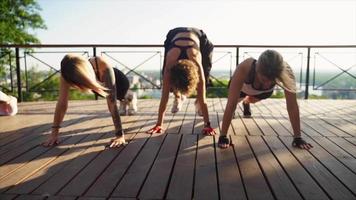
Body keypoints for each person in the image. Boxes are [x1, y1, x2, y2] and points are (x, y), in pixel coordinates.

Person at [219, 49, 313, 149]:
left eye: (272, 80)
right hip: (243, 89)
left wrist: (298, 137)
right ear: (256, 70)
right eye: (264, 79)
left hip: (263, 92)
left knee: (252, 99)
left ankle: (247, 102)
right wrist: (223, 136)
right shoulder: (245, 67)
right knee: (236, 101)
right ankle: (244, 101)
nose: (268, 83)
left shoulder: (286, 71)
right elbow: (231, 104)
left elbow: (292, 106)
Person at [43, 54, 132, 148]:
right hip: (98, 86)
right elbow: (62, 103)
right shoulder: (66, 74)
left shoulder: (100, 63)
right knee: (113, 98)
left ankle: (129, 97)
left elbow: (112, 103)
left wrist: (119, 135)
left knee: (122, 97)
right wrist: (54, 133)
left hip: (120, 82)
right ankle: (124, 100)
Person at [147, 27, 216, 135]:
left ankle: (196, 102)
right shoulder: (170, 64)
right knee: (166, 77)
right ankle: (178, 97)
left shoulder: (196, 60)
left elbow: (204, 99)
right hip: (173, 36)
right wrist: (159, 124)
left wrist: (208, 125)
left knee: (206, 73)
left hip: (199, 37)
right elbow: (164, 97)